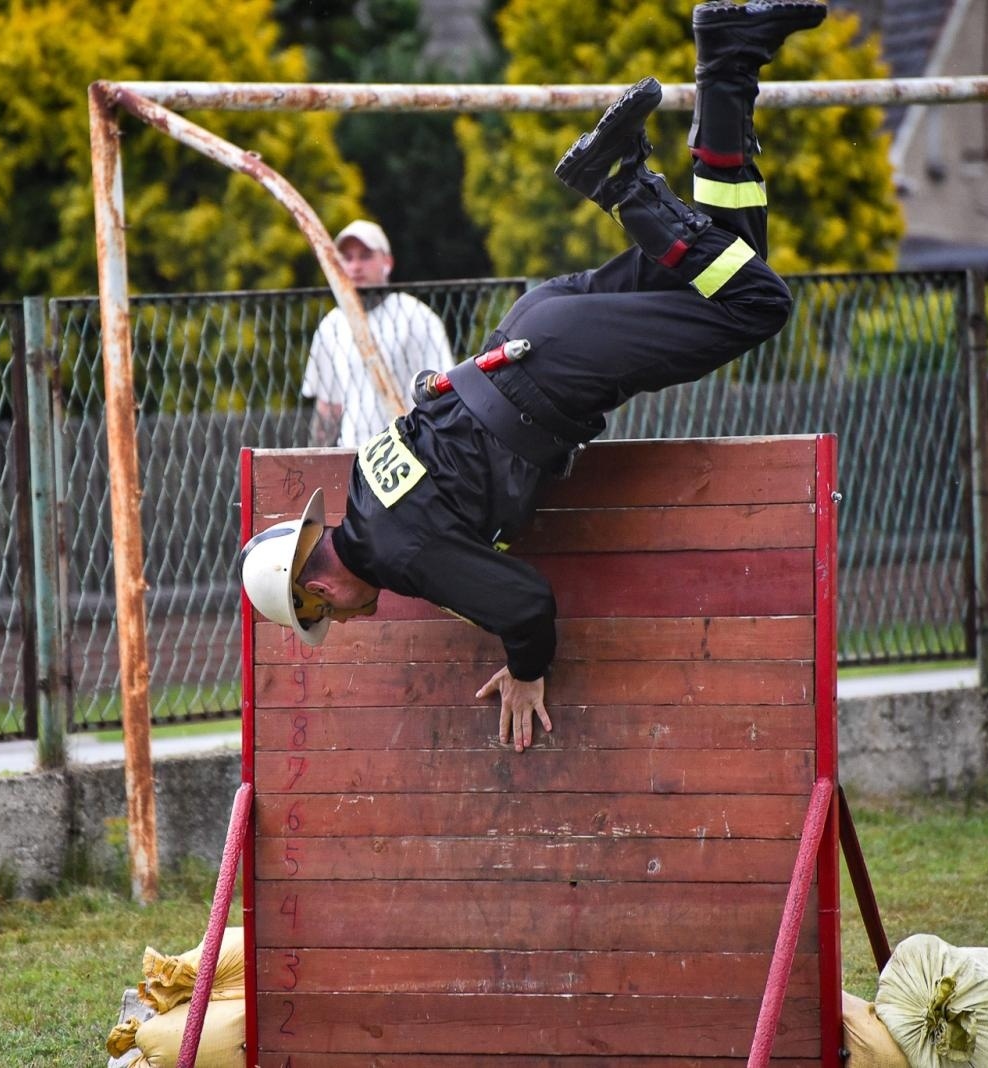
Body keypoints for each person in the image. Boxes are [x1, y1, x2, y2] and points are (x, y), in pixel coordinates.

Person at [243, 0, 825, 751]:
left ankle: (619, 182)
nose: (358, 618)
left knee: (756, 303)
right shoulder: (366, 486)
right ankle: (728, 57)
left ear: (318, 586)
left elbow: (524, 605)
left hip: (555, 370)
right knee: (728, 254)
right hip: (534, 329)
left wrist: (527, 668)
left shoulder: (403, 556)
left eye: (332, 613)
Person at [301, 219, 455, 447]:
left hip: (410, 453)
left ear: (387, 262)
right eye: (347, 258)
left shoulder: (416, 317)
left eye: (365, 256)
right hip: (352, 455)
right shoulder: (331, 325)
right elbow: (328, 408)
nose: (355, 266)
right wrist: (314, 462)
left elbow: (443, 395)